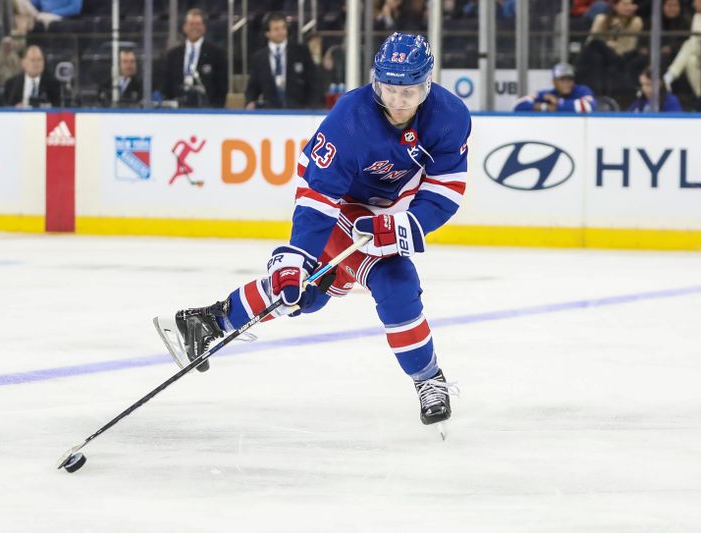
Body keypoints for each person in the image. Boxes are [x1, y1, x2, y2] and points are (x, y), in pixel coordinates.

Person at [157, 33, 470, 429]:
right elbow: (318, 199)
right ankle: (429, 380)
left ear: (427, 84)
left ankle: (211, 321)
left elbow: (445, 188)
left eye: (408, 91)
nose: (398, 101)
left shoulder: (450, 115)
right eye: (389, 89)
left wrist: (406, 225)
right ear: (376, 81)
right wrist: (297, 258)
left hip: (390, 210)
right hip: (338, 204)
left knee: (309, 297)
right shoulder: (349, 120)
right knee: (391, 280)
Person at [244, 12, 317, 109]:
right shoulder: (258, 58)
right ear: (267, 33)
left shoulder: (301, 52)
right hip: (270, 113)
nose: (281, 32)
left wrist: (311, 107)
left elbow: (313, 82)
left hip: (298, 112)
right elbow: (252, 88)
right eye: (276, 29)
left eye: (283, 28)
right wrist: (250, 102)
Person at [575, 0, 643, 99]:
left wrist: (607, 44)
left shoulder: (635, 22)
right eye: (625, 4)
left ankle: (594, 92)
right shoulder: (601, 19)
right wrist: (608, 44)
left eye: (631, 4)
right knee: (594, 53)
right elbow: (590, 42)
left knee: (597, 45)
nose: (628, 7)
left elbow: (627, 47)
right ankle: (593, 93)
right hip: (602, 57)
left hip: (622, 58)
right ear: (615, 6)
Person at [161, 8, 228, 107]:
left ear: (204, 28)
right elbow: (167, 85)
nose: (194, 27)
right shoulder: (173, 55)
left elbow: (222, 87)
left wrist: (215, 110)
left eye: (198, 24)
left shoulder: (216, 53)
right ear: (184, 27)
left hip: (207, 111)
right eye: (191, 24)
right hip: (177, 111)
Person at [513, 62, 596, 112]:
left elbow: (589, 106)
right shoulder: (547, 94)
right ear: (554, 82)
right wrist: (545, 107)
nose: (566, 83)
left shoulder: (582, 90)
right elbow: (517, 105)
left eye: (569, 80)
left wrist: (558, 103)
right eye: (562, 80)